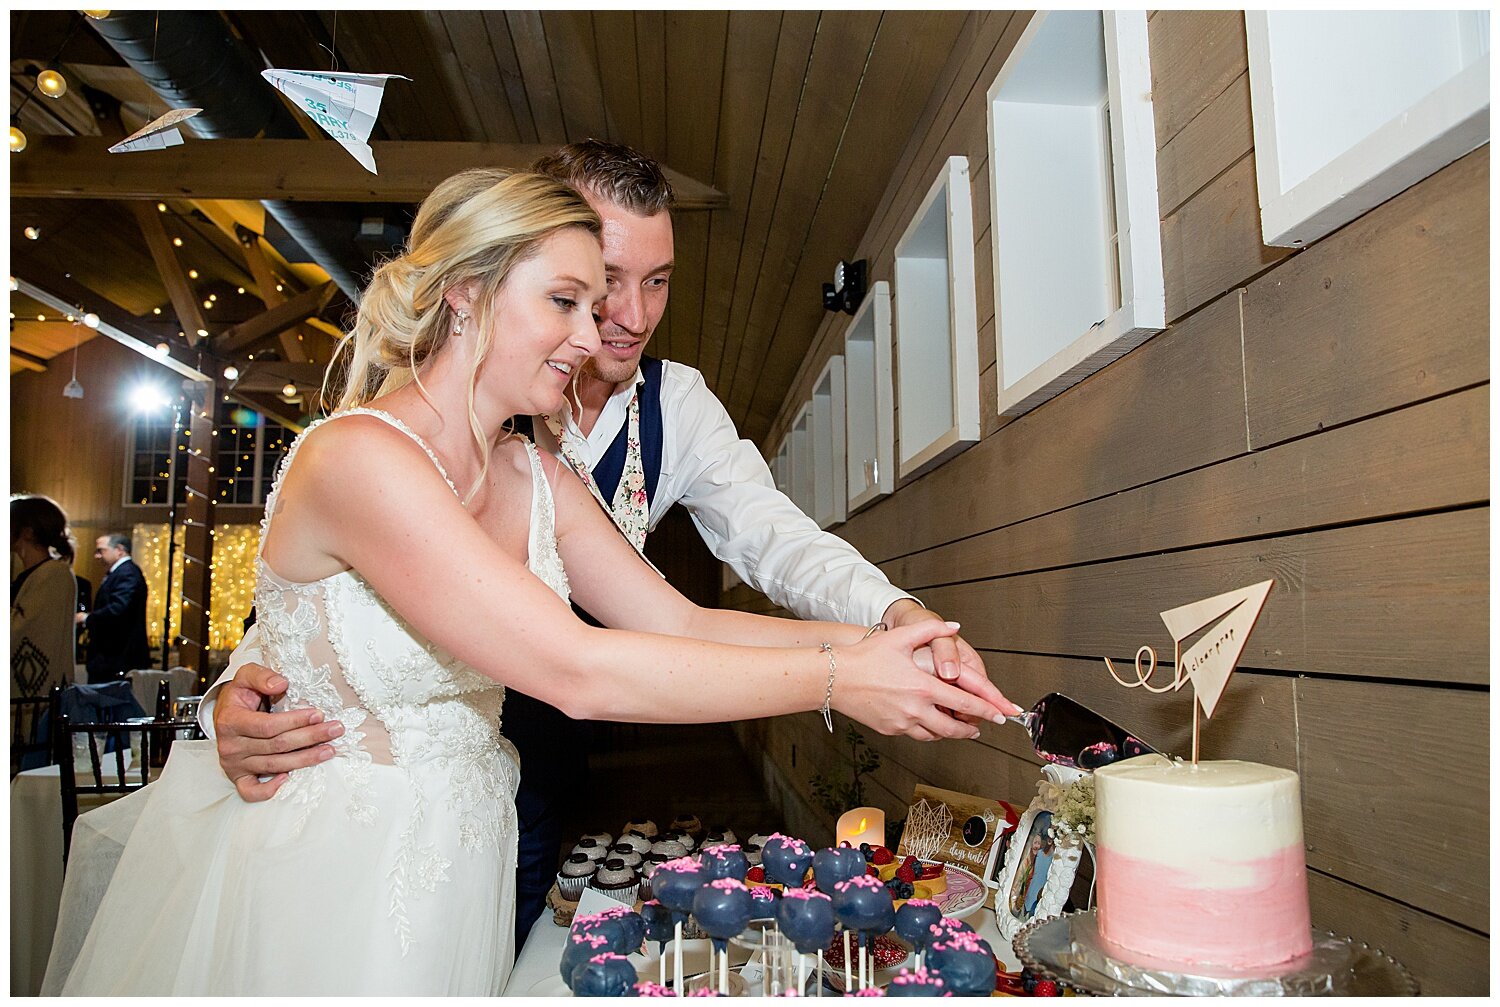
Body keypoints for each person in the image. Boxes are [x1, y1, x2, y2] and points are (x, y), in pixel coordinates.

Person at [46, 169, 1013, 995]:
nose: (597, 333)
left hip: (464, 855)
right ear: (466, 292)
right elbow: (577, 667)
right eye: (570, 301)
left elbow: (678, 618)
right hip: (326, 872)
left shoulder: (535, 473)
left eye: (609, 303)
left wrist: (893, 641)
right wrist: (842, 684)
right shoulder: (359, 459)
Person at [11, 495, 79, 698]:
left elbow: (24, 629)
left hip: (35, 697)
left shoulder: (54, 575)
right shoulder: (32, 574)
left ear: (28, 532)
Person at [76, 533, 150, 681]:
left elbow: (118, 609)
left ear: (119, 550)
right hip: (112, 657)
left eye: (101, 551)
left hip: (116, 657)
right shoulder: (122, 573)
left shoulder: (127, 573)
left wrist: (87, 618)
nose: (97, 556)